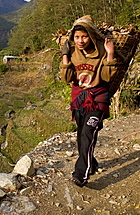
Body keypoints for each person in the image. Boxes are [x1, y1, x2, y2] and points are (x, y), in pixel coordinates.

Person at [59, 15, 119, 187]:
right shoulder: (72, 51)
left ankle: (80, 174)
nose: (80, 41)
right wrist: (65, 57)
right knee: (81, 135)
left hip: (98, 99)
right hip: (79, 99)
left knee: (87, 132)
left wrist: (110, 54)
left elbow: (107, 77)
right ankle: (91, 164)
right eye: (77, 37)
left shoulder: (101, 50)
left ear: (91, 36)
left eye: (84, 36)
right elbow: (67, 78)